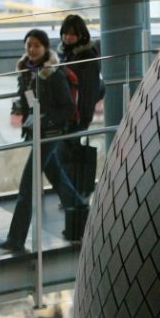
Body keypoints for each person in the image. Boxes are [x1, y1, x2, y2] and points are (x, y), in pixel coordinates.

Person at [0, 29, 87, 252]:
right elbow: (27, 99)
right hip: (36, 133)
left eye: (36, 45)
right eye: (29, 45)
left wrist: (45, 119)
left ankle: (16, 239)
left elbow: (67, 107)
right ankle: (82, 212)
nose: (32, 49)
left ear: (45, 48)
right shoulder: (27, 72)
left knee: (27, 184)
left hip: (50, 134)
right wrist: (21, 109)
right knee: (56, 176)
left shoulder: (52, 73)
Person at [57, 14, 103, 195]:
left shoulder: (86, 58)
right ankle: (72, 192)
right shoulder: (64, 55)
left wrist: (83, 118)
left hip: (77, 114)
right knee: (65, 152)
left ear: (81, 35)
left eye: (72, 34)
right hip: (67, 113)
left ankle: (76, 193)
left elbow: (88, 91)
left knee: (70, 153)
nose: (68, 37)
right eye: (65, 33)